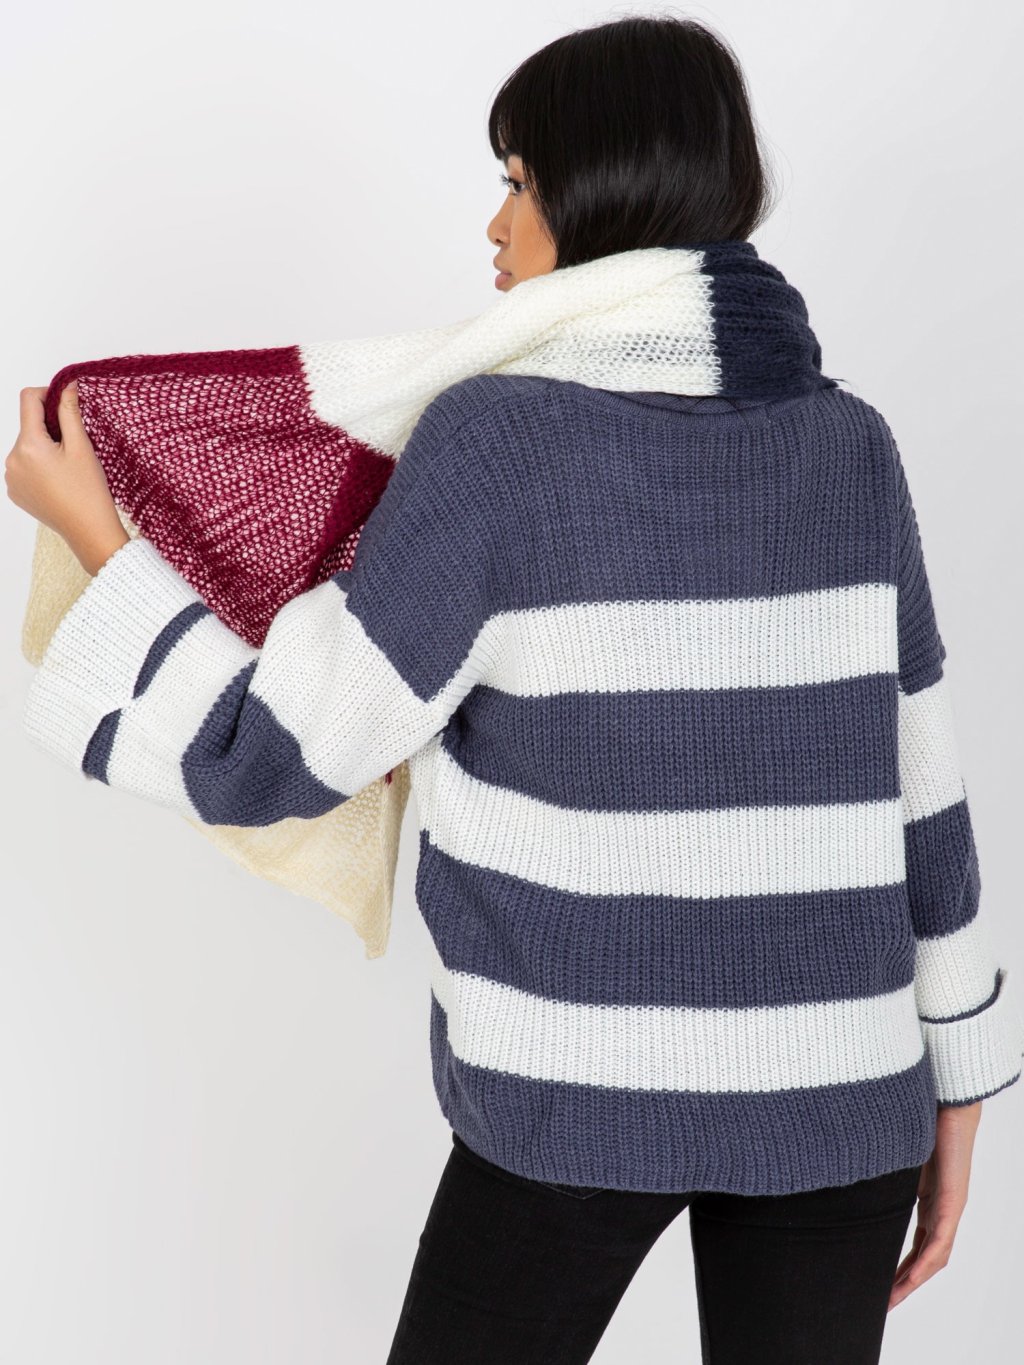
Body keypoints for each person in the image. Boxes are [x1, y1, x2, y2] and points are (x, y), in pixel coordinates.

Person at [7, 13, 1022, 1365]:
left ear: (601, 190)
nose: (496, 226)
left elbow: (275, 757)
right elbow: (925, 798)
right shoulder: (848, 444)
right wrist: (961, 1084)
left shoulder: (497, 445)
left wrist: (101, 540)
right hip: (844, 1100)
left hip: (568, 1103)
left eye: (520, 181)